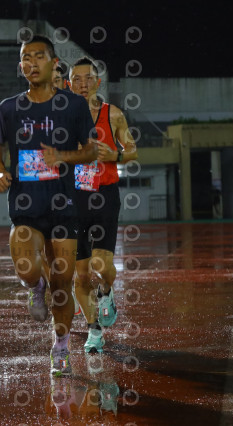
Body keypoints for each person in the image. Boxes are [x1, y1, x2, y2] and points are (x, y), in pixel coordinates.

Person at [0, 35, 98, 376]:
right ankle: (36, 288)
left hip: (64, 205)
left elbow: (91, 150)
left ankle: (61, 346)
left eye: (39, 56)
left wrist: (62, 156)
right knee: (26, 266)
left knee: (62, 283)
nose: (32, 62)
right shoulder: (9, 108)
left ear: (54, 63)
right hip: (26, 203)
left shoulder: (74, 106)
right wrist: (0, 170)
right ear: (21, 65)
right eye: (26, 57)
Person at [67, 56, 138, 354]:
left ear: (98, 82)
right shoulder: (61, 117)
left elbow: (132, 150)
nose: (83, 84)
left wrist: (115, 156)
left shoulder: (114, 115)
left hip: (105, 196)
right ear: (69, 84)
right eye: (77, 79)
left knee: (101, 265)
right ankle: (94, 330)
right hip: (72, 199)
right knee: (81, 274)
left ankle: (106, 291)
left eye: (88, 78)